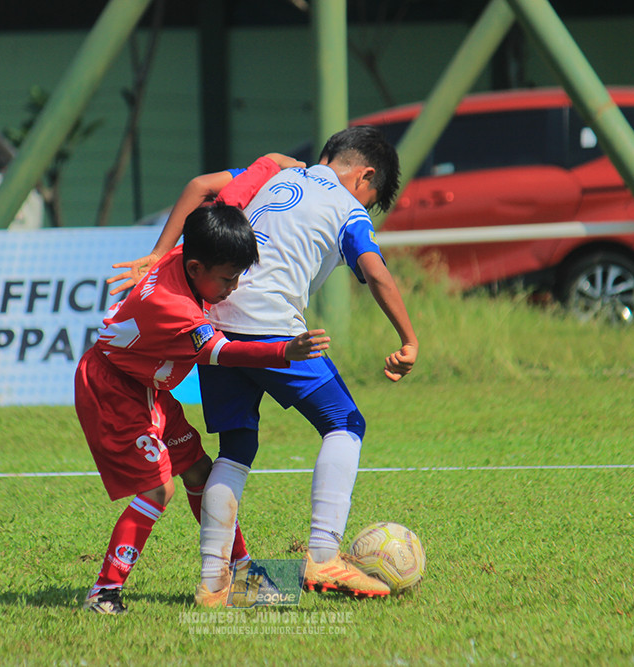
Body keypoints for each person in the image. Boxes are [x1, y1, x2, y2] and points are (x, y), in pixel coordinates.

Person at [110, 126, 418, 607]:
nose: (366, 204)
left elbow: (199, 186)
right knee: (345, 423)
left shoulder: (272, 175)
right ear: (365, 176)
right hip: (272, 326)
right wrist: (408, 339)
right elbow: (376, 272)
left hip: (213, 322)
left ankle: (214, 583)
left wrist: (157, 254)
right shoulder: (348, 208)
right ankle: (323, 555)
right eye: (371, 197)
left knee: (236, 447)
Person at [76, 167, 328, 615]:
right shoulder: (175, 308)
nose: (234, 288)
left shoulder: (191, 248)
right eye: (229, 279)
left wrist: (280, 164)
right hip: (113, 391)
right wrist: (284, 350)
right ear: (196, 269)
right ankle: (104, 593)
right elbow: (223, 353)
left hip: (145, 387)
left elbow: (224, 190)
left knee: (198, 471)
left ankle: (244, 574)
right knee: (159, 491)